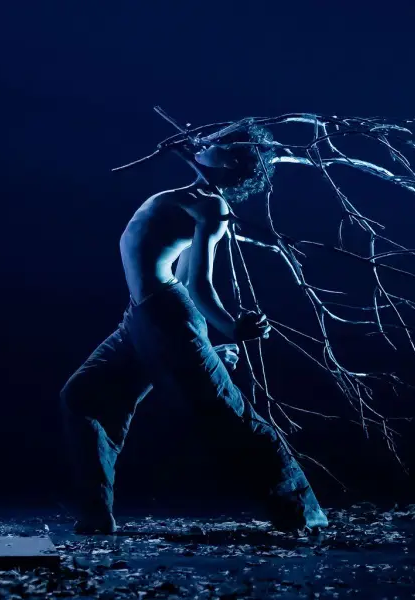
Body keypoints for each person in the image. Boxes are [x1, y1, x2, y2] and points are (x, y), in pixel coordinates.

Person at [60, 125, 328, 535]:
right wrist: (211, 336)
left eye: (218, 144)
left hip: (166, 318)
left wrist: (229, 329)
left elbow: (197, 282)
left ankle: (304, 513)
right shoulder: (196, 195)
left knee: (229, 416)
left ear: (232, 161)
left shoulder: (212, 209)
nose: (207, 143)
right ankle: (95, 514)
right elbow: (186, 278)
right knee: (84, 397)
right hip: (143, 317)